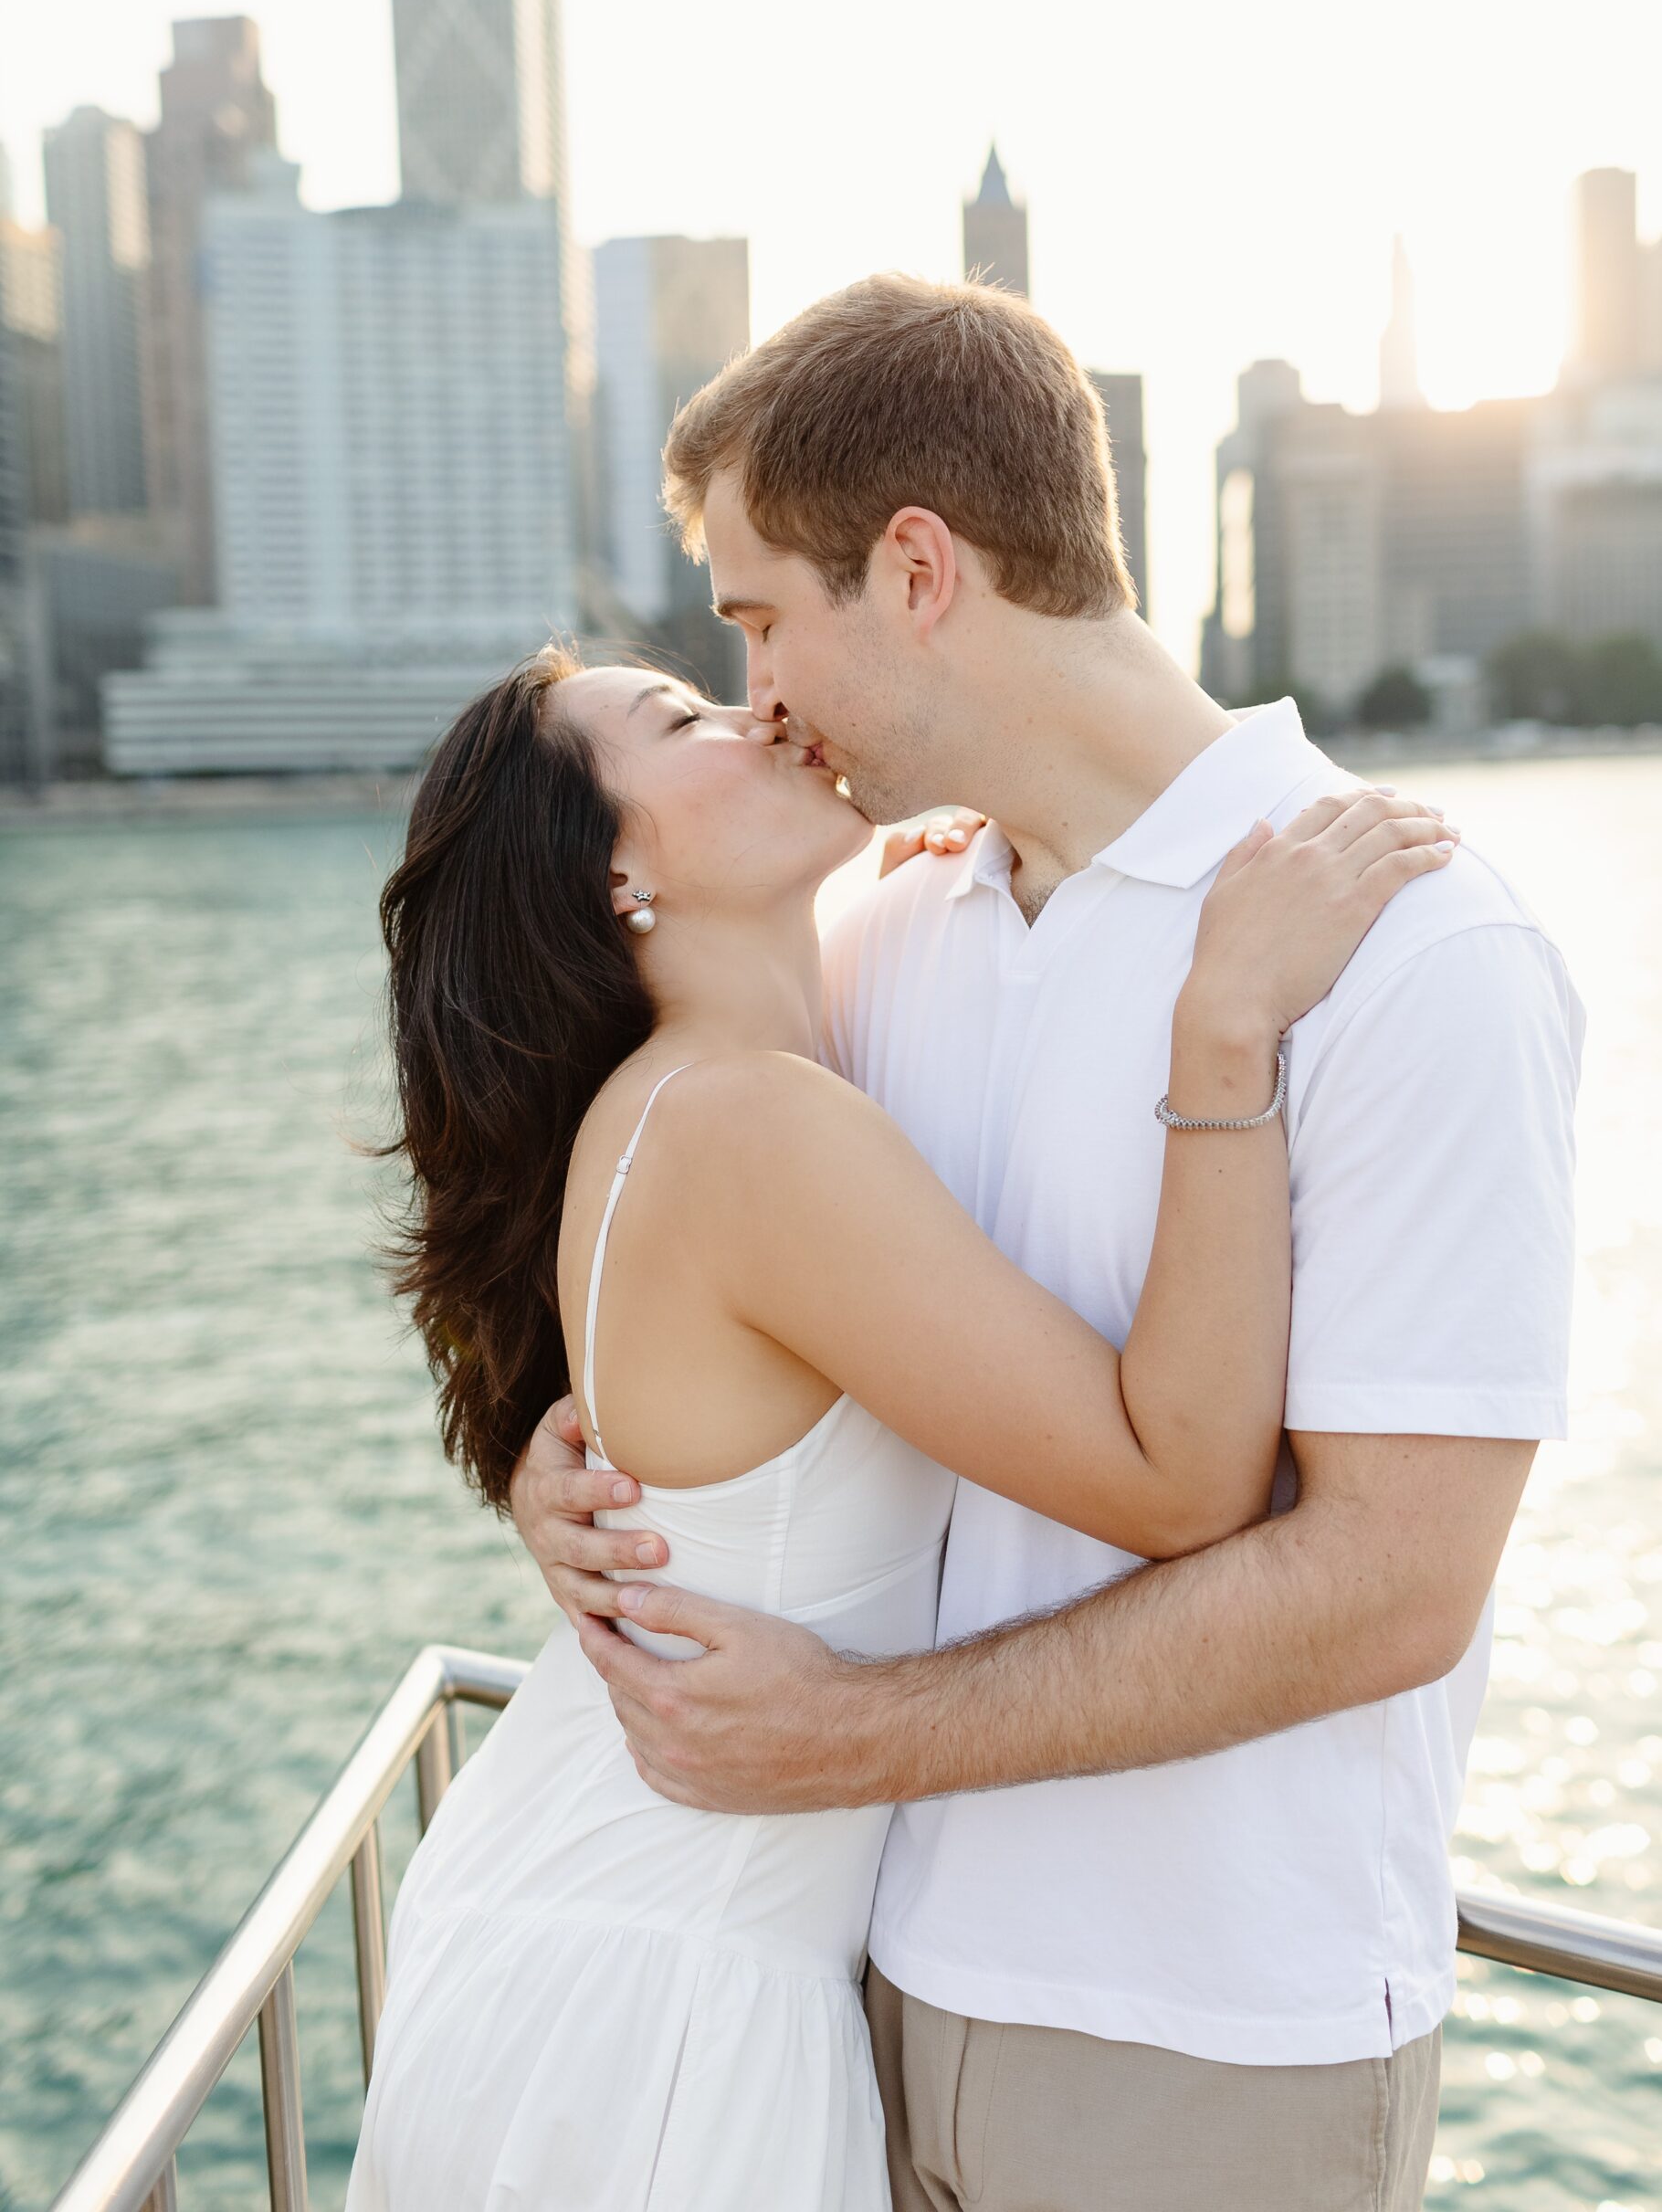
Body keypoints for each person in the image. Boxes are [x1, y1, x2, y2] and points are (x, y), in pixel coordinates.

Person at [513, 276, 1584, 2212]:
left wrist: (844, 1733)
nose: (756, 694)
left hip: (1209, 2049)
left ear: (913, 567)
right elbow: (662, 1221)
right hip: (874, 1996)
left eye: (761, 617)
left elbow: (1386, 1587)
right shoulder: (883, 926)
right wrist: (565, 1454)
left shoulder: (1421, 950)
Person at [346, 624, 1452, 2210]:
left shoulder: (757, 1055)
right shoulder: (743, 1121)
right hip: (668, 1989)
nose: (765, 706)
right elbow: (1180, 1478)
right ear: (613, 878)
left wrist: (955, 851)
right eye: (687, 715)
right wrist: (1224, 1029)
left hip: (626, 1916)